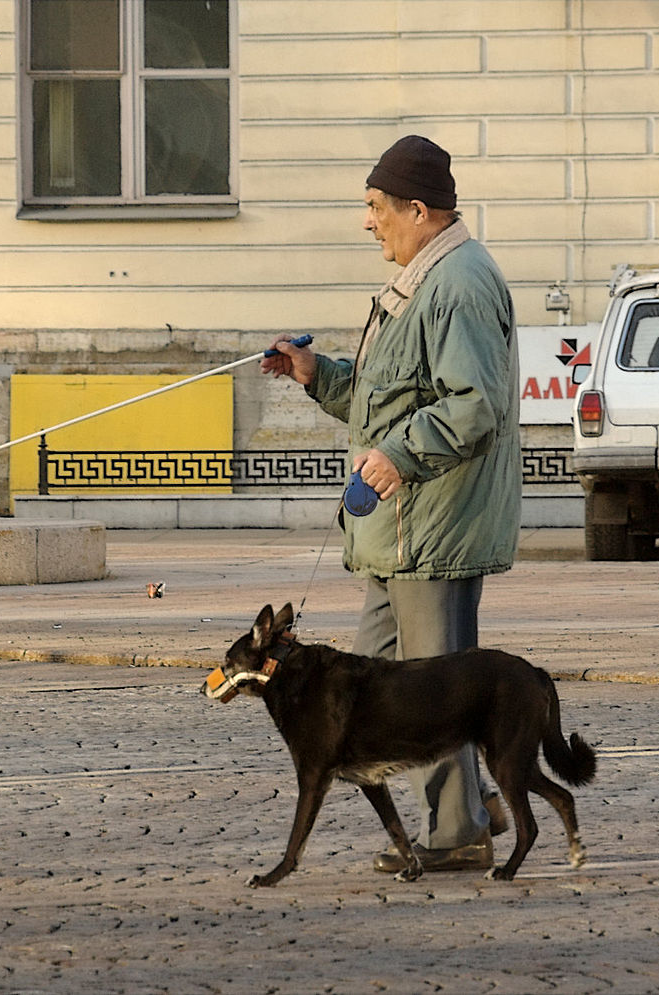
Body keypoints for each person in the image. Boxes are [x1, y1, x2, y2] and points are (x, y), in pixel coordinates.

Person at [260, 135, 521, 873]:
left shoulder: (460, 284)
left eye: (376, 207)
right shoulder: (422, 277)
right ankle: (479, 805)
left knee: (431, 692)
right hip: (393, 533)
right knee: (370, 691)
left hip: (430, 532)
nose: (367, 222)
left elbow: (473, 410)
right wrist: (316, 373)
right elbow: (388, 398)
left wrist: (400, 456)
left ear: (418, 208)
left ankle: (458, 832)